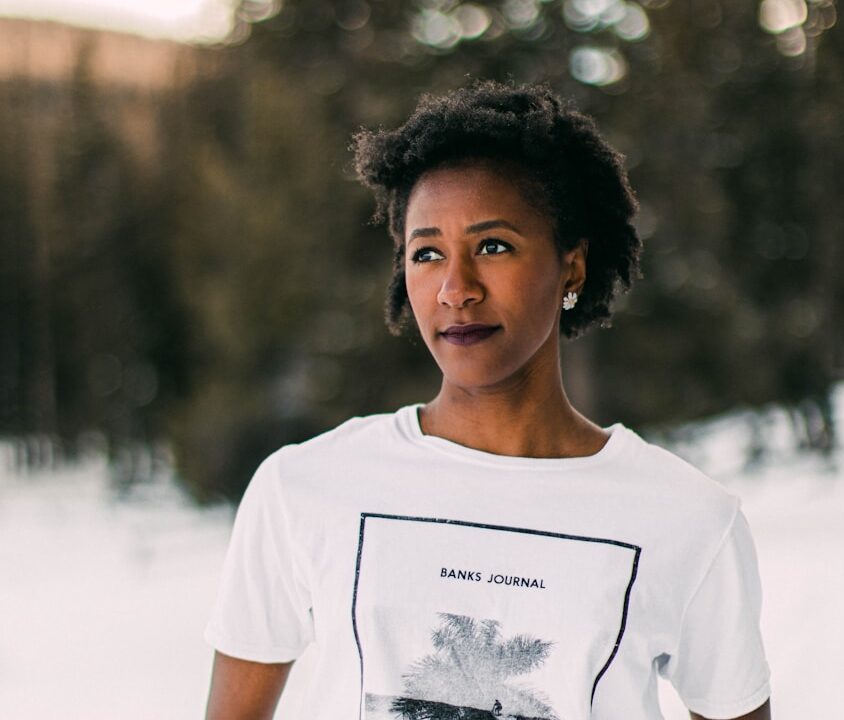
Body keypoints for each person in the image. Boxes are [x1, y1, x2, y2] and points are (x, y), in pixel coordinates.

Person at [204, 81, 771, 720]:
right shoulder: (303, 487)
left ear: (572, 267)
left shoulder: (688, 519)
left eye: (493, 246)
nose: (456, 288)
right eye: (426, 254)